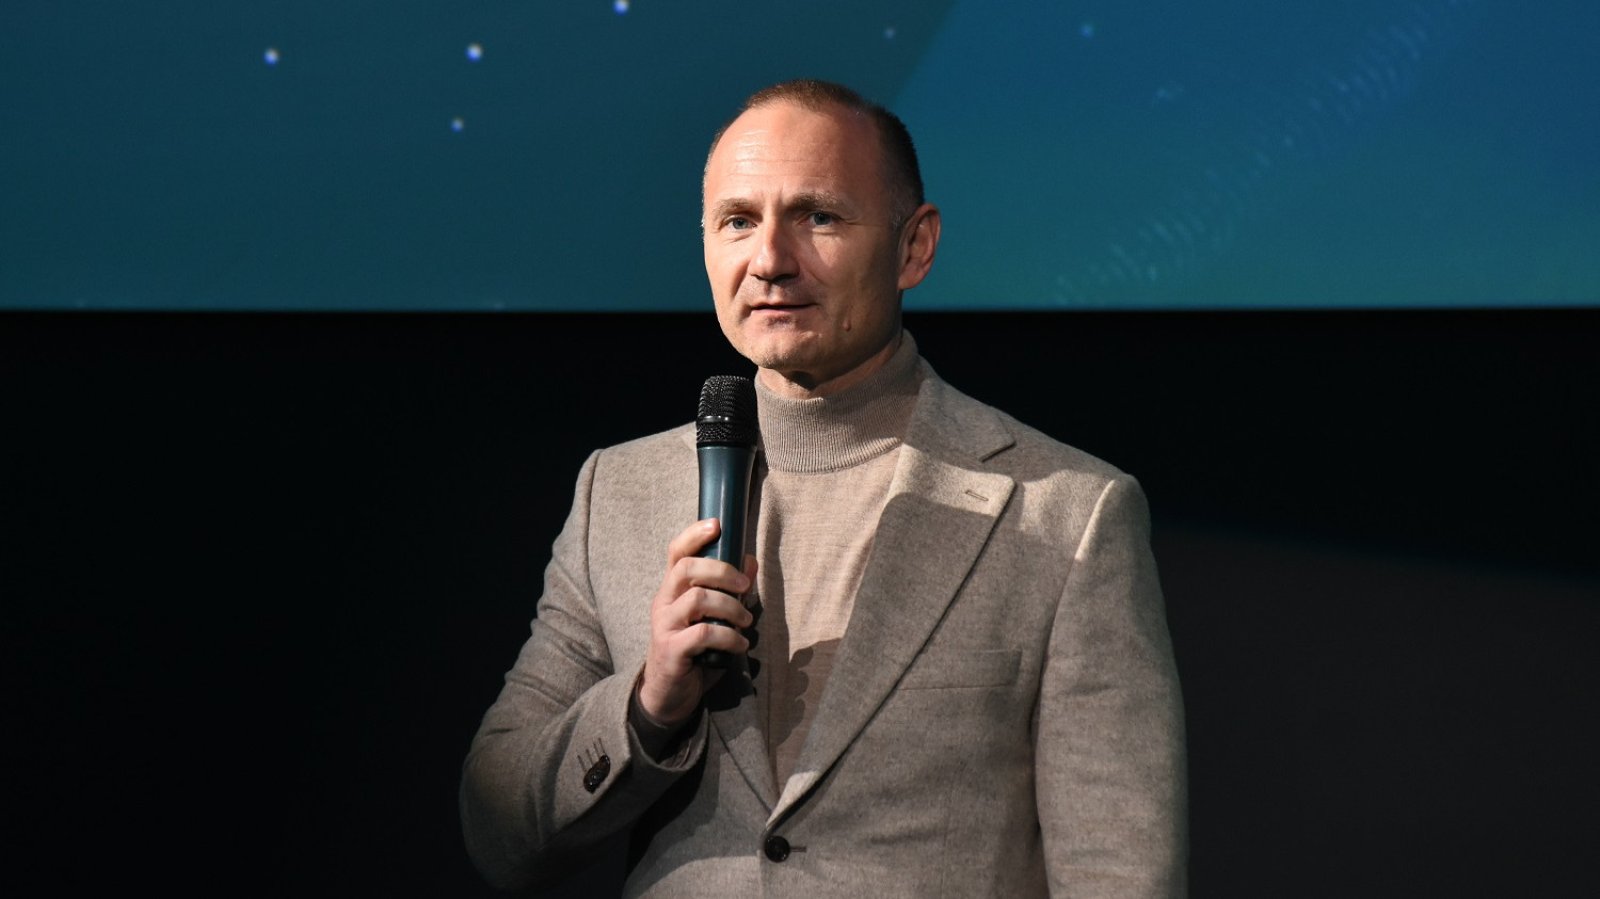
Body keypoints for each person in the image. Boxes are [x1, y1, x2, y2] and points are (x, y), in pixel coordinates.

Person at [461, 79, 1186, 897]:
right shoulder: (619, 493)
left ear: (915, 248)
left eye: (818, 217)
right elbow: (497, 827)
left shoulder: (1068, 512)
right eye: (738, 221)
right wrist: (646, 706)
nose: (770, 260)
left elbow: (1119, 872)